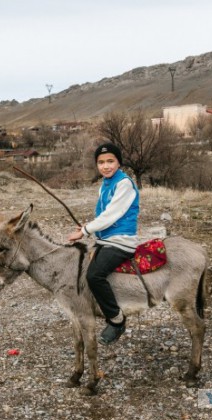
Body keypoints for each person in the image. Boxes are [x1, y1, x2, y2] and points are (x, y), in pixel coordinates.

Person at [68, 142, 140, 345]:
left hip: (121, 241)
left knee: (94, 275)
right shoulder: (105, 184)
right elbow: (102, 215)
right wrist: (90, 227)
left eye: (110, 161)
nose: (106, 166)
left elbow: (111, 216)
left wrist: (84, 231)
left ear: (119, 162)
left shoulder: (124, 183)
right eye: (101, 162)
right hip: (105, 240)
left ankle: (117, 320)